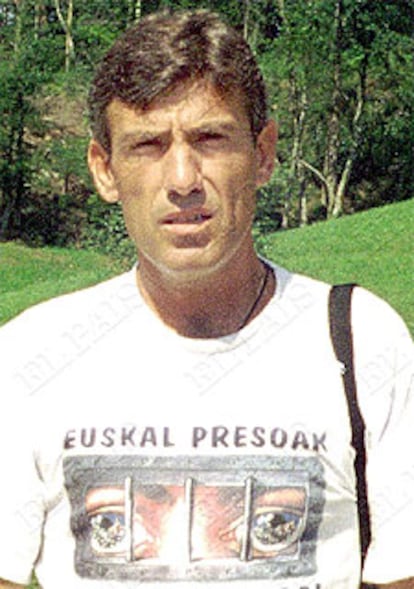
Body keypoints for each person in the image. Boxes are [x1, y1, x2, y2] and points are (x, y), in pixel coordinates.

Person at [0, 8, 413, 589]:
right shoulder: (28, 356)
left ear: (263, 153)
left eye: (210, 138)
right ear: (105, 169)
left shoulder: (360, 341)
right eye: (146, 145)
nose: (183, 178)